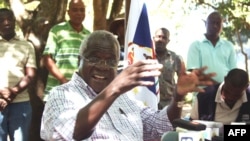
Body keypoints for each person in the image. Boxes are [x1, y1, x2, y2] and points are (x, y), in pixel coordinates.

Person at [40, 30, 215, 141]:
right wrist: (114, 88)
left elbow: (159, 126)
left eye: (110, 61)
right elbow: (74, 133)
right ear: (80, 61)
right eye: (94, 58)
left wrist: (178, 96)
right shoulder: (62, 94)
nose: (102, 66)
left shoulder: (125, 99)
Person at [42, 0, 91, 102]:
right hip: (57, 90)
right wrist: (64, 81)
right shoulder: (57, 30)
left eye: (82, 10)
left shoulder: (89, 35)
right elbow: (47, 59)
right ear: (68, 12)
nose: (79, 13)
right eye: (75, 10)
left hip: (80, 92)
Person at [0, 8, 37, 141]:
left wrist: (12, 92)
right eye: (2, 20)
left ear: (15, 21)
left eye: (9, 19)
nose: (6, 22)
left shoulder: (27, 46)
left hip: (21, 103)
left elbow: (31, 75)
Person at [187, 11, 237, 84]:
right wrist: (218, 87)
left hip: (227, 90)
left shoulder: (229, 46)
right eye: (212, 23)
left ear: (222, 26)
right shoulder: (196, 45)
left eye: (218, 23)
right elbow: (194, 72)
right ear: (205, 24)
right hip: (204, 90)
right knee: (210, 91)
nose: (215, 26)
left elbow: (233, 72)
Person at [153, 27, 186, 109]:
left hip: (168, 104)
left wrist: (179, 106)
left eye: (164, 37)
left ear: (168, 41)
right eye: (158, 36)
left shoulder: (175, 58)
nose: (160, 40)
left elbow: (183, 81)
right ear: (153, 38)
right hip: (150, 101)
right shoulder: (147, 56)